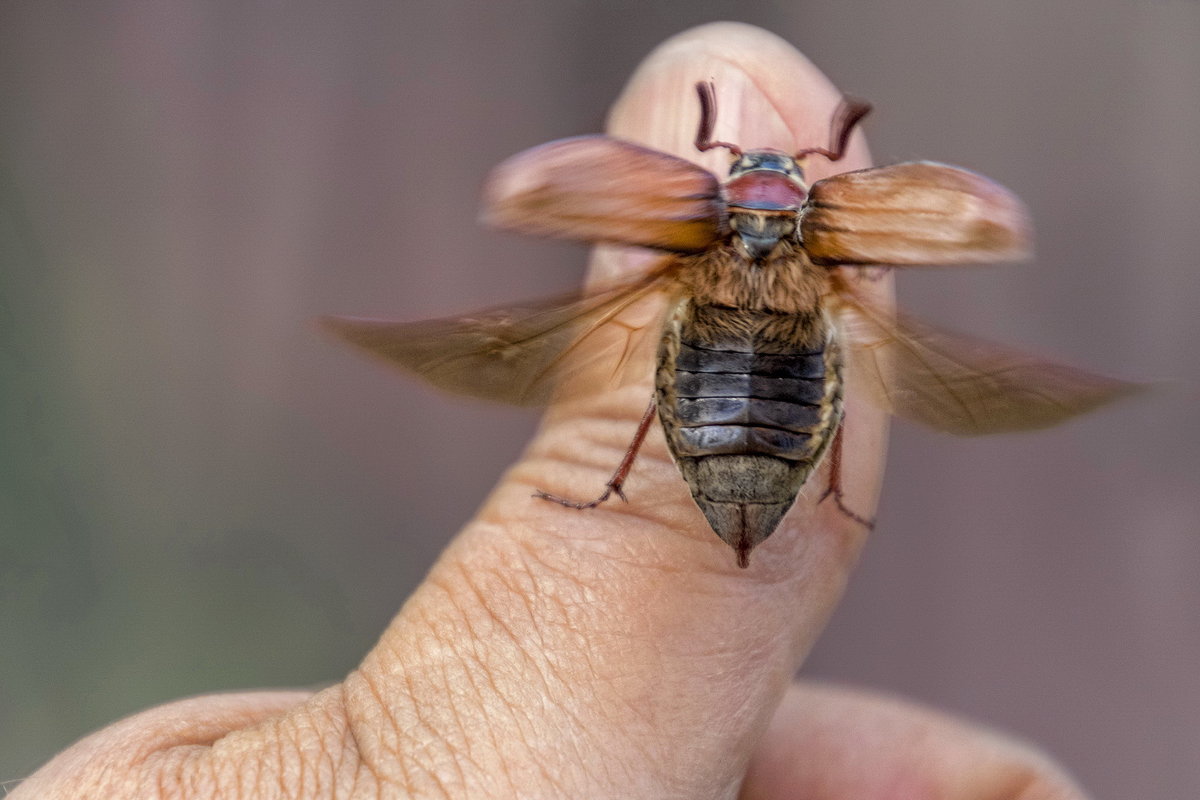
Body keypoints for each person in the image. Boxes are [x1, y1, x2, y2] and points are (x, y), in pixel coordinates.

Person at [12, 22, 1087, 800]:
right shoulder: (834, 273)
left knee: (648, 343)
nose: (765, 183)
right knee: (847, 352)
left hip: (718, 436)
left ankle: (632, 475)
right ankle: (766, 483)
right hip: (777, 428)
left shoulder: (672, 266)